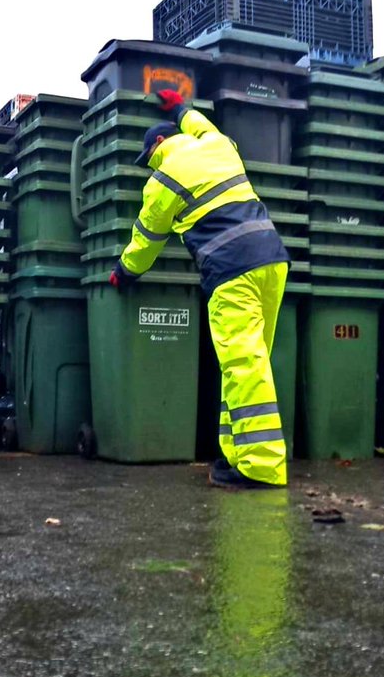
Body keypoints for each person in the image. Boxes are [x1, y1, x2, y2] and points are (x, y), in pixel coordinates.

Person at [109, 89, 290, 490]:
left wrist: (123, 272)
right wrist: (180, 108)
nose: (150, 165)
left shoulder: (163, 180)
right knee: (246, 364)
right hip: (272, 260)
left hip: (232, 269)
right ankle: (236, 454)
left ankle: (260, 467)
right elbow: (200, 124)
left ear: (159, 144)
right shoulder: (217, 145)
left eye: (150, 157)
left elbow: (146, 239)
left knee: (242, 365)